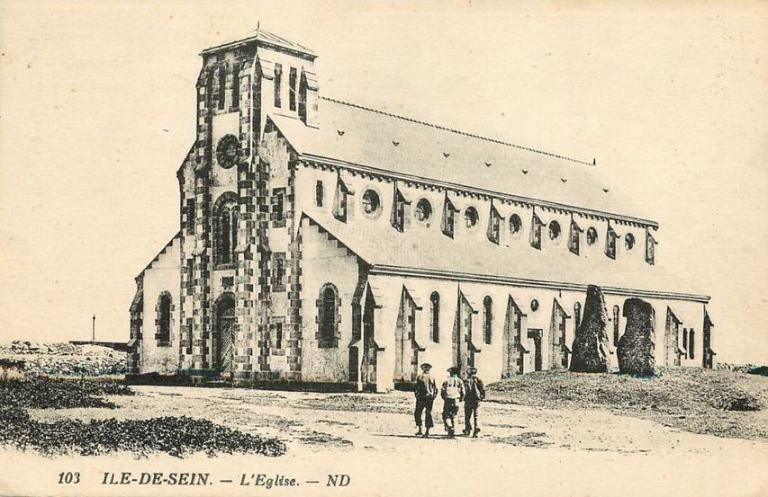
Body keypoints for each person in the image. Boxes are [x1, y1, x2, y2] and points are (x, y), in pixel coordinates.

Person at [413, 363, 438, 438]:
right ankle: (427, 431)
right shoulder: (432, 377)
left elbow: (416, 388)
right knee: (428, 413)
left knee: (418, 412)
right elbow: (435, 388)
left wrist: (416, 395)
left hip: (421, 397)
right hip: (429, 397)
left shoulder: (420, 376)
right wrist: (434, 396)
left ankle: (420, 429)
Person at [441, 366, 464, 438]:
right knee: (455, 415)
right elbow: (463, 391)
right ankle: (454, 431)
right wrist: (461, 399)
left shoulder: (446, 380)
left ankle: (449, 426)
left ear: (451, 372)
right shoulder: (460, 381)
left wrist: (444, 398)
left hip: (448, 398)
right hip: (456, 399)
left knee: (446, 414)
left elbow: (442, 390)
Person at [462, 366, 486, 437]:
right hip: (476, 399)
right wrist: (482, 397)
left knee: (467, 416)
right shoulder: (479, 380)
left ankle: (468, 430)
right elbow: (483, 389)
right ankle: (477, 429)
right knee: (476, 415)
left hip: (468, 400)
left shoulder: (466, 380)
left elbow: (464, 390)